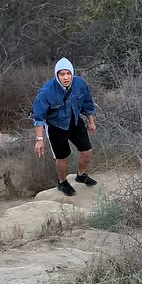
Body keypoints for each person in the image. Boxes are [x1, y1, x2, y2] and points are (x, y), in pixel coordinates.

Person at [32, 57, 98, 197]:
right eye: (62, 74)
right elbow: (39, 116)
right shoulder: (47, 91)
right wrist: (39, 139)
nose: (66, 77)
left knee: (87, 150)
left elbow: (87, 103)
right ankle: (62, 182)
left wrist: (91, 122)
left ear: (72, 73)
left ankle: (81, 175)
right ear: (57, 75)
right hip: (56, 126)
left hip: (75, 120)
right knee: (63, 157)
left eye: (68, 73)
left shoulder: (79, 83)